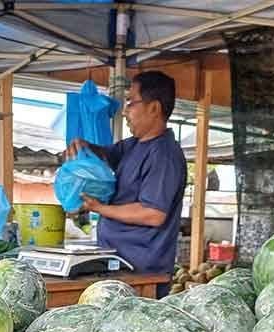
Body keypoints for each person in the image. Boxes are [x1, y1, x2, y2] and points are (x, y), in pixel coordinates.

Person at [67, 71, 187, 296]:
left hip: (143, 273)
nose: (124, 111)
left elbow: (153, 213)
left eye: (131, 102)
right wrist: (85, 147)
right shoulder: (132, 145)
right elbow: (106, 154)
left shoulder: (164, 155)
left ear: (154, 108)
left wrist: (99, 208)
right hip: (119, 265)